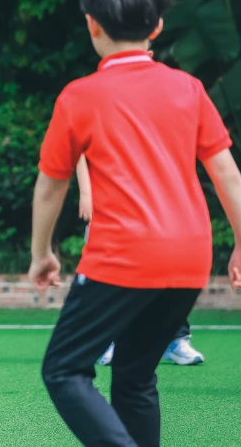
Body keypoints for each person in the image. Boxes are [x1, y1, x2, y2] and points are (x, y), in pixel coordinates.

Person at [29, 0, 241, 446]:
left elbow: (52, 185)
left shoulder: (80, 96)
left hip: (123, 257)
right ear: (156, 27)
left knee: (64, 370)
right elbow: (226, 173)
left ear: (92, 24)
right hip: (191, 259)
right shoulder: (188, 89)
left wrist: (42, 253)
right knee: (135, 378)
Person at [78, 157, 205, 367]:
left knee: (164, 263)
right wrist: (86, 192)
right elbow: (80, 152)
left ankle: (174, 339)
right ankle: (107, 340)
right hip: (110, 198)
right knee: (110, 269)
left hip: (153, 196)